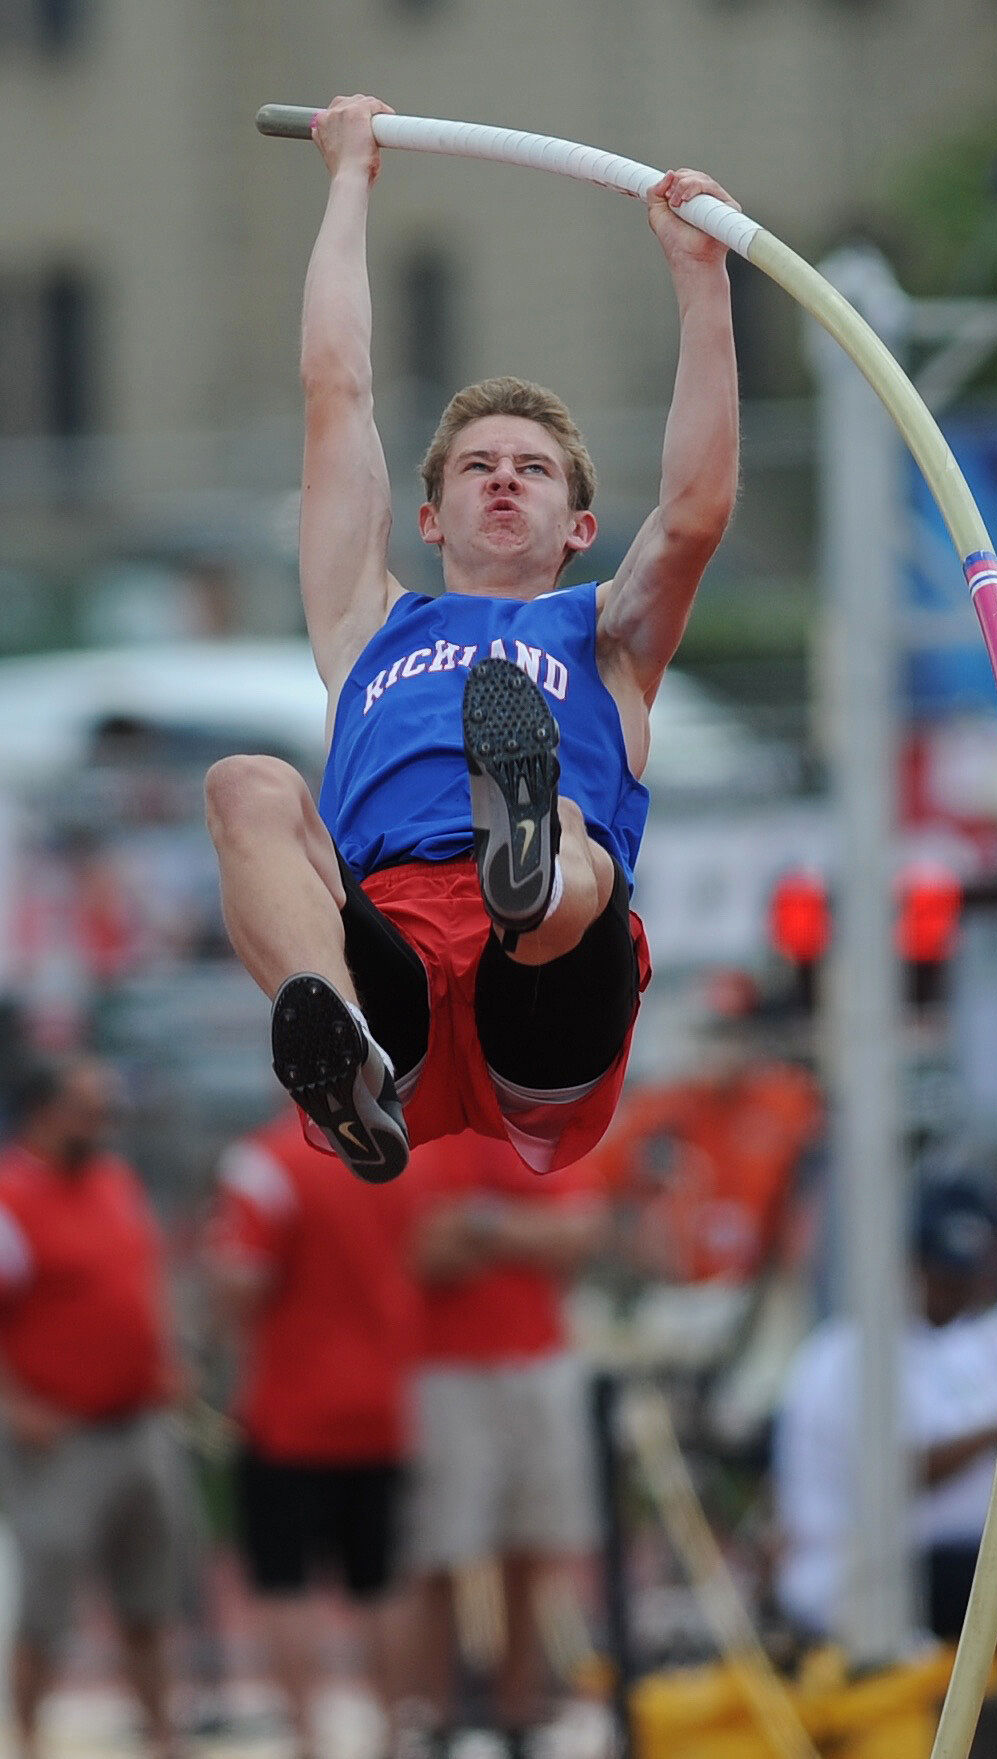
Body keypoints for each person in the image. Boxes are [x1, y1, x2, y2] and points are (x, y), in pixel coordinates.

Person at [204, 92, 739, 1183]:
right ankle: (338, 1041)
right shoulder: (367, 621)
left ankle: (532, 875)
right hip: (390, 967)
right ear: (430, 518)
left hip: (537, 1005)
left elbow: (691, 511)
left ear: (580, 527)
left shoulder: (608, 636)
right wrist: (348, 180)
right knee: (246, 786)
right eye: (476, 467)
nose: (503, 477)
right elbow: (335, 395)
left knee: (576, 838)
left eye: (532, 468)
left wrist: (701, 276)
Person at [773, 1178, 997, 1680]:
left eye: (963, 1275)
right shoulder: (845, 1356)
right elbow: (896, 1475)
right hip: (868, 1575)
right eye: (942, 1274)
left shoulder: (956, 1351)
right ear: (904, 1266)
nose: (958, 1289)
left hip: (958, 1556)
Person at [206, 1107, 422, 1759]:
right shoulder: (407, 1152)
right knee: (380, 1580)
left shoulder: (267, 1161)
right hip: (385, 1401)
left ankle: (308, 1737)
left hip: (291, 1409)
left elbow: (243, 1281)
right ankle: (393, 1732)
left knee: (284, 1581)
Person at [397, 1130, 608, 1758]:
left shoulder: (538, 1127)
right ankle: (438, 1714)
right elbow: (417, 1250)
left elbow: (579, 1235)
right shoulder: (419, 1132)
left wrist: (482, 1224)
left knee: (533, 1542)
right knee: (439, 1548)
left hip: (535, 1360)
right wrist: (526, 1234)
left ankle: (519, 1711)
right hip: (444, 1367)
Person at [0, 1056, 188, 1759]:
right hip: (63, 1435)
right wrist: (14, 1404)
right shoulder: (13, 1197)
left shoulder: (114, 1180)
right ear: (44, 1114)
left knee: (151, 1600)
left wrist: (165, 1356)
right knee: (46, 1608)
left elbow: (142, 1275)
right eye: (87, 1109)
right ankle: (27, 1739)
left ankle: (163, 1735)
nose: (104, 1123)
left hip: (138, 1423)